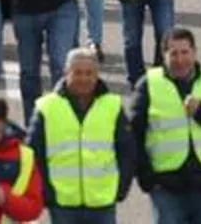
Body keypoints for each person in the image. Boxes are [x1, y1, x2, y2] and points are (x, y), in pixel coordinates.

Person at [128, 27, 201, 224]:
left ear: (194, 52)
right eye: (173, 53)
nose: (180, 60)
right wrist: (146, 177)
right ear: (163, 55)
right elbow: (132, 136)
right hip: (166, 185)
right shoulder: (149, 84)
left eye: (185, 52)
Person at [28, 48, 137, 224]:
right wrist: (46, 193)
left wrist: (120, 188)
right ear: (66, 73)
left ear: (97, 75)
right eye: (77, 72)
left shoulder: (112, 105)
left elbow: (128, 151)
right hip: (62, 204)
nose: (84, 78)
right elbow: (33, 155)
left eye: (89, 73)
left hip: (102, 203)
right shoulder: (46, 107)